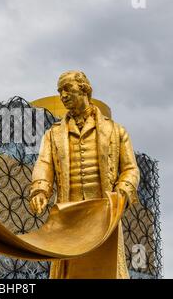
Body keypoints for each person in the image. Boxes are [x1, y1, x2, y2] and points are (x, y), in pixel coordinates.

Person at [29, 70, 140, 279]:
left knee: (106, 270)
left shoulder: (115, 131)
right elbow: (44, 163)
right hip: (69, 214)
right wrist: (40, 190)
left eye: (67, 89)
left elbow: (130, 169)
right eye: (59, 91)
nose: (63, 95)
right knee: (70, 270)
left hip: (103, 214)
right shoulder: (53, 134)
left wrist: (121, 194)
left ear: (84, 89)